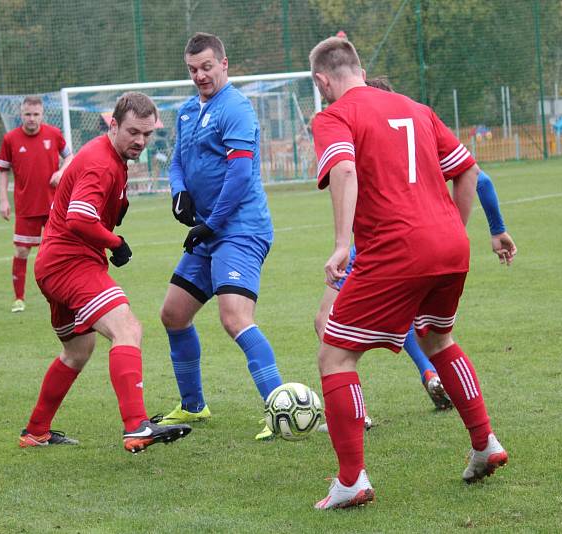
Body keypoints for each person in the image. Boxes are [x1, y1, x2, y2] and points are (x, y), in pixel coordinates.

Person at [308, 38, 509, 509]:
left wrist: (341, 244)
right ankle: (485, 443)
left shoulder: (333, 116)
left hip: (394, 250)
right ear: (359, 66)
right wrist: (449, 232)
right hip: (449, 246)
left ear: (322, 81)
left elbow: (343, 170)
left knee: (335, 356)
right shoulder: (415, 107)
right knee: (438, 340)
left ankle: (351, 480)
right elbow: (469, 171)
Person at [314, 75, 518, 414]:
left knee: (329, 331)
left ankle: (354, 421)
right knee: (432, 333)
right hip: (425, 246)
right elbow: (479, 177)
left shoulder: (367, 130)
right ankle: (454, 403)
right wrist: (491, 229)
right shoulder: (417, 123)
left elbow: (345, 173)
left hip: (384, 248)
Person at [20, 92, 192, 454]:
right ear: (112, 125)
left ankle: (36, 431)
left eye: (147, 134)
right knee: (127, 328)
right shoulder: (101, 162)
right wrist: (115, 242)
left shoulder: (109, 156)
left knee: (77, 350)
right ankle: (136, 426)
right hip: (70, 263)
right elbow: (79, 219)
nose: (140, 142)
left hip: (55, 263)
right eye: (133, 132)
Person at [156, 33, 283, 441]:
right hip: (209, 232)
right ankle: (194, 404)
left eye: (207, 67)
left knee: (234, 318)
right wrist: (179, 192)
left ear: (225, 64)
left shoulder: (237, 109)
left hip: (241, 230)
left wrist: (212, 223)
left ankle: (280, 409)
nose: (200, 76)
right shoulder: (188, 112)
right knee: (173, 314)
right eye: (193, 70)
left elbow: (241, 175)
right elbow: (177, 161)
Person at [0, 96, 73, 313]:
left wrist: (61, 171)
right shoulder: (10, 139)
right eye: (27, 114)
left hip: (53, 206)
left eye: (35, 114)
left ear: (42, 115)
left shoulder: (54, 134)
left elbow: (70, 157)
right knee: (21, 251)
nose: (31, 119)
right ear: (21, 115)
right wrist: (3, 200)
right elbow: (2, 170)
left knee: (60, 251)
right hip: (26, 207)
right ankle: (19, 298)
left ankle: (66, 293)